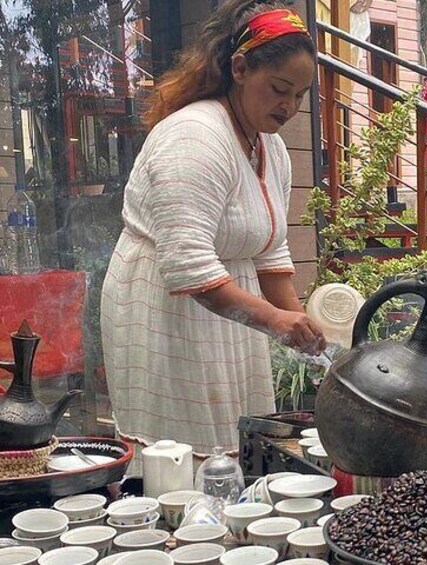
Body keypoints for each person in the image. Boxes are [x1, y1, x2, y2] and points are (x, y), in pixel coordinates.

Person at [100, 0, 326, 467]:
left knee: (234, 439)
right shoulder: (195, 137)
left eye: (300, 95)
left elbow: (270, 249)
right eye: (280, 89)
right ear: (240, 68)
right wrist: (274, 321)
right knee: (180, 455)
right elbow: (189, 266)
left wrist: (302, 329)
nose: (289, 106)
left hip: (231, 305)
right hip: (168, 304)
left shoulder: (272, 149)